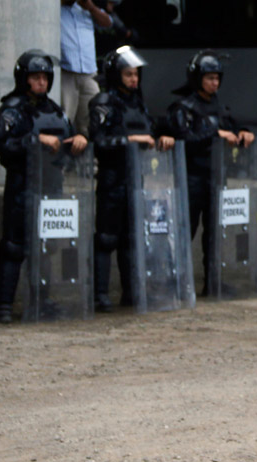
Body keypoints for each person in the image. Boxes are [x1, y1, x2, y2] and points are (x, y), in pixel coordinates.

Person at [0, 50, 88, 324]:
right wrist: (35, 140)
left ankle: (41, 301)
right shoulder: (12, 109)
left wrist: (79, 141)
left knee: (46, 246)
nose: (42, 82)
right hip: (22, 188)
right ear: (24, 78)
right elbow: (4, 147)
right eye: (35, 77)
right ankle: (4, 307)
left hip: (51, 188)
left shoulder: (55, 111)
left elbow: (68, 144)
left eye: (45, 77)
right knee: (13, 247)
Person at [89, 46, 175, 311]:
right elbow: (99, 140)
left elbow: (150, 130)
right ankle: (101, 295)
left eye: (136, 74)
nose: (134, 79)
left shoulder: (137, 103)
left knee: (131, 238)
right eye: (128, 74)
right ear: (116, 75)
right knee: (106, 238)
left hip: (137, 180)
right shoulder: (103, 102)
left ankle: (131, 292)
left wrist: (162, 137)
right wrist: (129, 140)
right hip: (112, 179)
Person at [167, 50, 255, 296]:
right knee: (186, 231)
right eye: (209, 78)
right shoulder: (183, 107)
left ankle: (213, 282)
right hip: (192, 177)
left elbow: (233, 127)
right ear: (197, 79)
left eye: (217, 78)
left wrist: (244, 132)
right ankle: (178, 284)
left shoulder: (220, 107)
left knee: (215, 233)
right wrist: (214, 135)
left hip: (216, 177)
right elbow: (184, 138)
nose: (214, 83)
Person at [61, 0, 112, 136]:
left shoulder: (85, 8)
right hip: (66, 71)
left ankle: (89, 155)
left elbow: (108, 22)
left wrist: (91, 7)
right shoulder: (55, 9)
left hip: (89, 72)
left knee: (93, 118)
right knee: (65, 118)